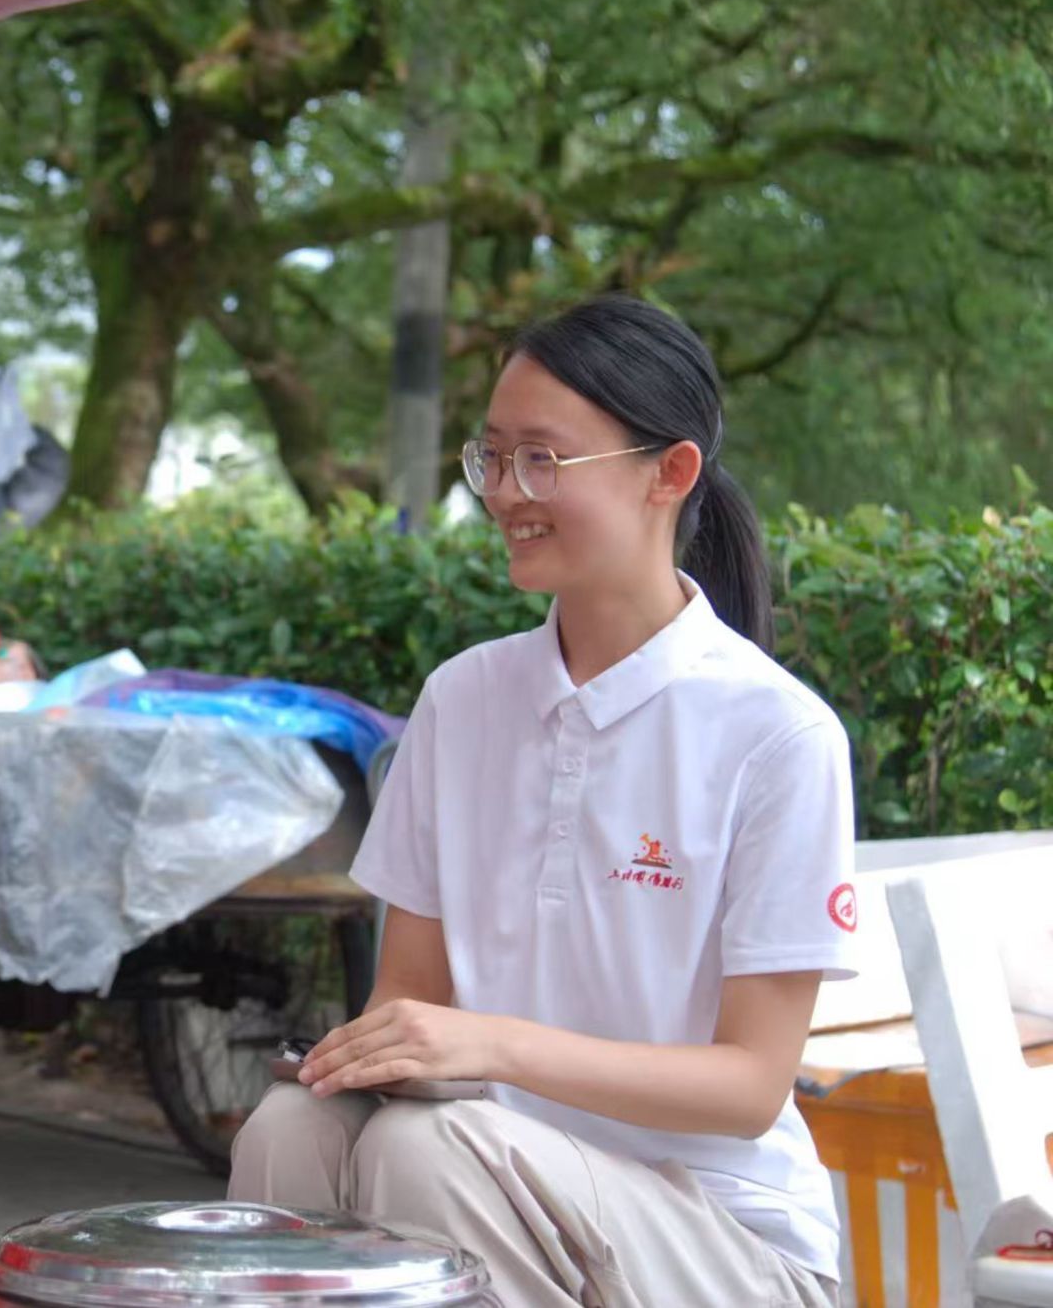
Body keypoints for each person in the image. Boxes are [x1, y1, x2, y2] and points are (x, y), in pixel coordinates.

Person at [229, 295, 856, 1307]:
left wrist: (494, 1045)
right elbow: (408, 994)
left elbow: (749, 1086)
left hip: (725, 1238)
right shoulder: (462, 699)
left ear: (669, 473)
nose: (503, 493)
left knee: (423, 1150)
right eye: (491, 458)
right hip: (485, 1162)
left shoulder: (776, 734)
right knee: (290, 1128)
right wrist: (379, 1053)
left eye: (541, 460)